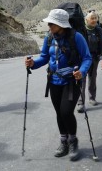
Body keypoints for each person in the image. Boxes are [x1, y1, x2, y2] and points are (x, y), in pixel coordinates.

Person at [25, 9, 92, 161]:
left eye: (51, 23)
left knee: (66, 112)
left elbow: (87, 58)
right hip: (54, 81)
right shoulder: (49, 37)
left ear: (61, 25)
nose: (49, 26)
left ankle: (73, 141)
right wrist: (33, 63)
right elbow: (44, 58)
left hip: (71, 80)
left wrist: (81, 71)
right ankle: (64, 141)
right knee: (59, 113)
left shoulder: (77, 37)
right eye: (49, 23)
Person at [76, 11, 102, 113]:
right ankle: (80, 102)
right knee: (82, 79)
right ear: (86, 20)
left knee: (92, 78)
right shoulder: (81, 30)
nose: (94, 20)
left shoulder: (98, 30)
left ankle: (92, 98)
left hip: (94, 58)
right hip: (83, 59)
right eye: (92, 18)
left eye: (95, 18)